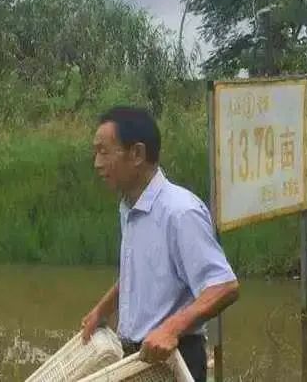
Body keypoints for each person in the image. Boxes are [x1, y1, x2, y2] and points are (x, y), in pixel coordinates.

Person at [81, 106, 239, 382]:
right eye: (96, 152)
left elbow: (224, 286)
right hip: (137, 356)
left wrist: (172, 328)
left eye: (104, 151)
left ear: (137, 154)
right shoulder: (128, 207)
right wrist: (101, 310)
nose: (97, 163)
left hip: (174, 357)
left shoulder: (180, 212)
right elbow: (138, 273)